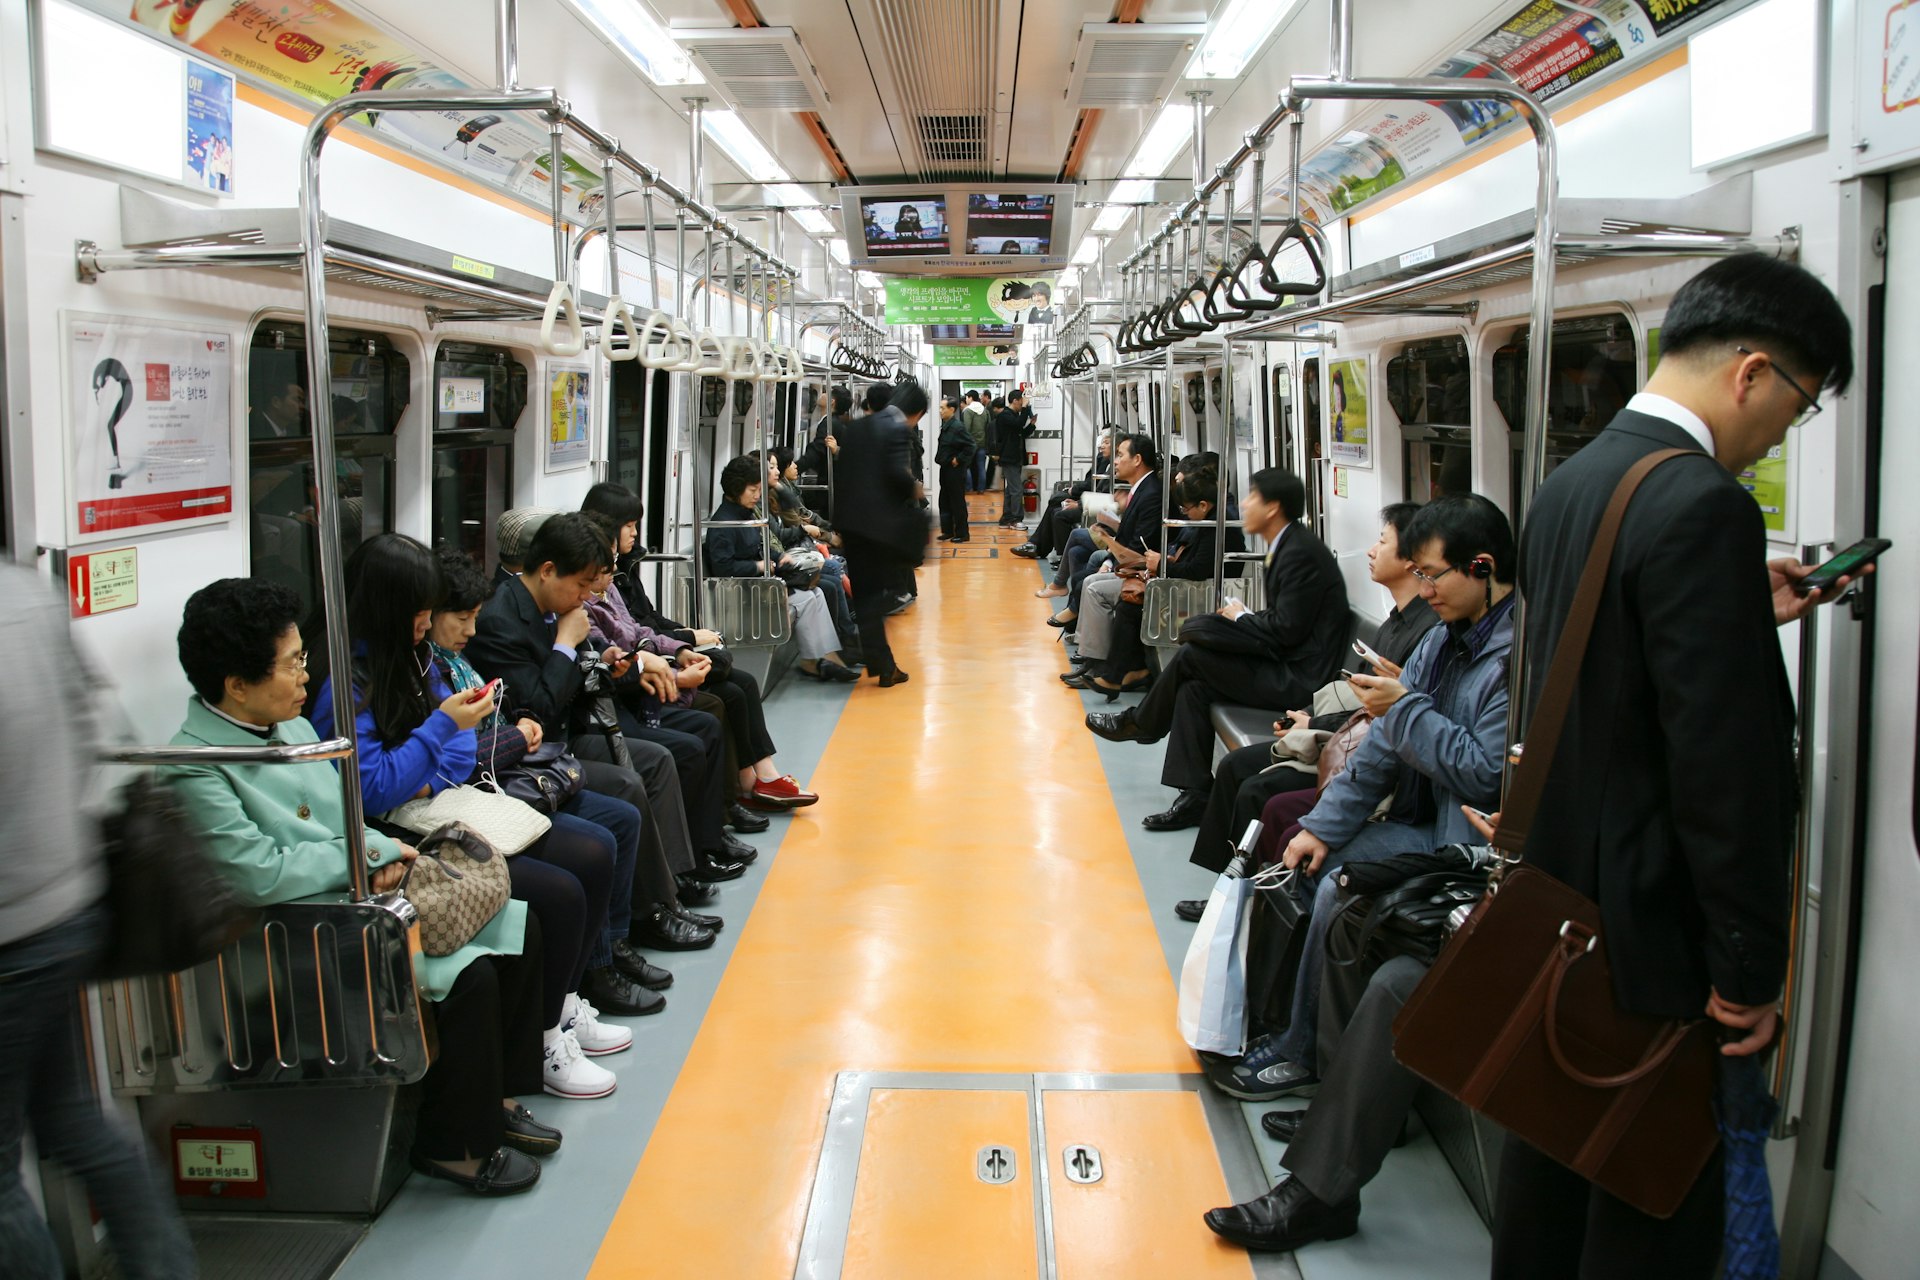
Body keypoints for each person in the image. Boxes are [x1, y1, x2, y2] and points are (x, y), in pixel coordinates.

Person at [1493, 253, 1859, 1277]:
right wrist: (1749, 972)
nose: (1777, 434)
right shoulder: (1702, 503)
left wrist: (1738, 598)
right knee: (1649, 1210)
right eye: (1791, 409)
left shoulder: (1574, 480)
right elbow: (1726, 773)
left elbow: (1606, 660)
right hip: (1650, 938)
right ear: (1751, 373)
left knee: (1553, 1183)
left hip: (1565, 904)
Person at [166, 578, 551, 1196]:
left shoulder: (289, 732)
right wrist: (366, 855)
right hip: (302, 933)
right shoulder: (195, 768)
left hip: (357, 896)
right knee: (472, 976)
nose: (305, 677)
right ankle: (455, 1147)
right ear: (237, 685)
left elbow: (343, 812)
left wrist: (372, 854)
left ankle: (495, 1101)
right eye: (293, 665)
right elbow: (259, 870)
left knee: (523, 920)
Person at [308, 534, 648, 1084]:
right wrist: (436, 737)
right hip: (400, 831)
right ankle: (541, 1040)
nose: (430, 621)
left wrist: (426, 761)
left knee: (596, 849)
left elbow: (460, 755)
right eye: (421, 609)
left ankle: (561, 1006)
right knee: (558, 893)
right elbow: (374, 789)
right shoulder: (345, 680)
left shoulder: (415, 658)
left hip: (439, 800)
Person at [1219, 493, 1515, 1103]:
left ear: (1482, 567)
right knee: (1301, 859)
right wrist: (1321, 827)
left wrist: (1405, 707)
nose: (1425, 588)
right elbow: (1379, 752)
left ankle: (1307, 1054)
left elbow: (1483, 774)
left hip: (1464, 845)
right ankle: (1276, 1023)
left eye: (1433, 574)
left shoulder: (1516, 660)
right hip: (1424, 824)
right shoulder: (1442, 641)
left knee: (1340, 888)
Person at [0, 567, 195, 1278]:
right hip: (66, 905)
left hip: (9, 927)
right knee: (79, 1123)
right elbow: (91, 722)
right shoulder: (26, 593)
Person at [466, 513, 742, 920]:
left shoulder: (554, 609)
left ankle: (670, 891)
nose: (585, 596)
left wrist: (608, 662)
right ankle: (652, 910)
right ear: (547, 571)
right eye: (580, 584)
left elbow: (579, 675)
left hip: (576, 725)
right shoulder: (500, 622)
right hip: (542, 748)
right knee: (630, 783)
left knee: (662, 757)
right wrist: (564, 645)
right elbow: (538, 710)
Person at [1174, 504, 1438, 899]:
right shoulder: (1396, 621)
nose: (1370, 551)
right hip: (1342, 732)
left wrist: (1316, 727)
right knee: (1233, 766)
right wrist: (1310, 717)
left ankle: (1244, 894)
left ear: (1410, 558)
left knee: (1257, 790)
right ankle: (1223, 888)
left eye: (1382, 542)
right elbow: (1358, 697)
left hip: (1362, 754)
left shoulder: (1425, 632)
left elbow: (1381, 716)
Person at [1086, 469, 1347, 821]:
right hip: (1285, 660)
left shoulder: (1300, 552)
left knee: (1193, 655)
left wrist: (1241, 618)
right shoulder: (1286, 545)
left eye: (1252, 497)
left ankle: (1142, 723)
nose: (1243, 505)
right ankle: (1194, 794)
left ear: (1272, 508)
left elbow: (1287, 631)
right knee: (1194, 688)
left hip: (1299, 678)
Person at [581, 482, 815, 819]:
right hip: (638, 681)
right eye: (629, 525)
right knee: (726, 695)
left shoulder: (622, 570)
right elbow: (624, 644)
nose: (635, 533)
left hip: (655, 655)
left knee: (739, 680)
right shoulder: (599, 586)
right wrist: (681, 650)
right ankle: (736, 795)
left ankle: (756, 778)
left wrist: (681, 643)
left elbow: (644, 622)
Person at [1065, 469, 1243, 698]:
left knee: (1128, 607)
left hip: (1197, 594)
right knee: (1113, 594)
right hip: (1186, 585)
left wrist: (1161, 565)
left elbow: (1197, 570)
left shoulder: (1215, 529)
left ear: (1203, 505)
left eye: (1187, 509)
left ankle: (1115, 673)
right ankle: (1122, 670)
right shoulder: (1205, 523)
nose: (1185, 514)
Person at [706, 456, 860, 683]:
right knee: (807, 599)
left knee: (816, 592)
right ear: (736, 489)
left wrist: (780, 557)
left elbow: (762, 546)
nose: (758, 496)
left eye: (759, 489)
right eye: (752, 490)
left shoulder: (746, 515)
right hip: (745, 591)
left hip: (762, 583)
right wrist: (757, 566)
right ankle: (817, 660)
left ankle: (822, 657)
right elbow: (723, 567)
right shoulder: (724, 523)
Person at [834, 381, 930, 687]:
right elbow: (895, 475)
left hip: (851, 523)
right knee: (880, 593)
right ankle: (880, 661)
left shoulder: (857, 427)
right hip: (879, 528)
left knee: (865, 598)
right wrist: (913, 487)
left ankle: (880, 663)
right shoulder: (898, 429)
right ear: (917, 412)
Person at [1040, 433, 1162, 625]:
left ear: (1137, 459)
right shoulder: (1139, 489)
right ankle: (1076, 627)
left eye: (1120, 455)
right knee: (1079, 558)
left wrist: (1108, 550)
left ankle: (1079, 628)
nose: (1115, 461)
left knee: (1086, 582)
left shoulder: (1150, 494)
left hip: (1138, 569)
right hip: (1124, 557)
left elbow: (1139, 548)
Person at [1010, 431, 1111, 561]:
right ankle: (1037, 545)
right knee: (1056, 501)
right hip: (1090, 498)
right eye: (1102, 442)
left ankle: (1046, 549)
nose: (1102, 446)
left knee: (1058, 510)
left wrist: (1078, 501)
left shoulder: (1114, 466)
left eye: (1106, 443)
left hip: (1095, 503)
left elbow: (1101, 492)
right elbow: (1092, 482)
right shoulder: (1102, 459)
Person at [935, 395, 976, 542]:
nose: (940, 410)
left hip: (955, 471)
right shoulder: (946, 425)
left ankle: (962, 533)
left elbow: (971, 446)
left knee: (957, 502)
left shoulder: (957, 427)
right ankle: (948, 531)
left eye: (942, 408)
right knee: (944, 501)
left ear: (951, 409)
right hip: (945, 469)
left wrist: (958, 459)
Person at [995, 390, 1033, 528]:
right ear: (1015, 401)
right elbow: (1018, 425)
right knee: (1016, 489)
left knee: (1011, 489)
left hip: (1015, 457)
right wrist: (1024, 410)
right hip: (1009, 457)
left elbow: (1021, 432)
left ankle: (1006, 518)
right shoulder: (1005, 415)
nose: (1023, 405)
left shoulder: (1013, 416)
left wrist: (1032, 424)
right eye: (1021, 402)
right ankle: (1016, 519)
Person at [963, 391, 991, 491]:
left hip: (970, 444)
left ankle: (969, 487)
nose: (966, 400)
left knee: (965, 466)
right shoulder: (985, 411)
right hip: (982, 443)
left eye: (967, 397)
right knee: (981, 467)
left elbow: (966, 429)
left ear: (970, 398)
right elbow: (988, 427)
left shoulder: (968, 411)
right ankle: (981, 489)